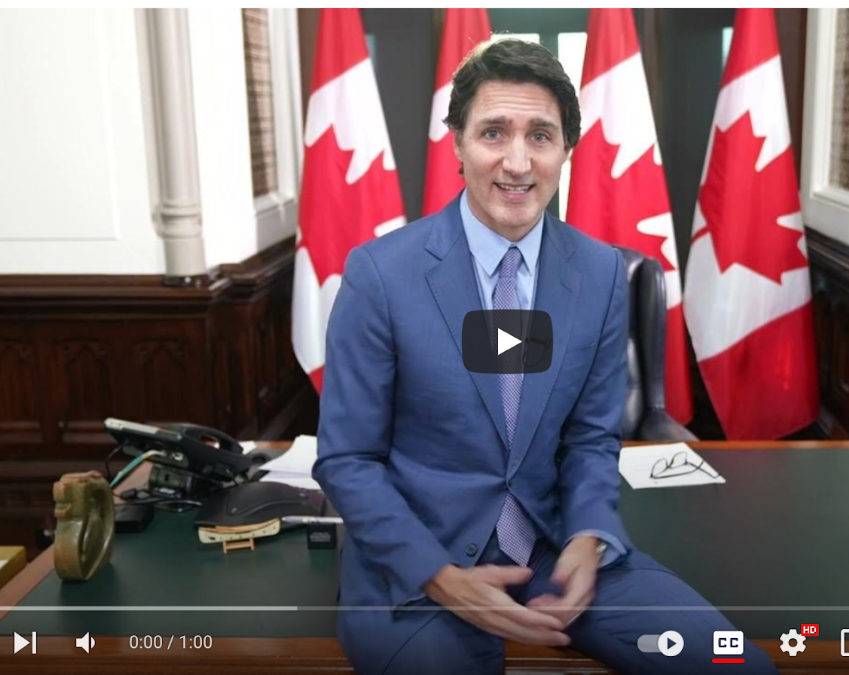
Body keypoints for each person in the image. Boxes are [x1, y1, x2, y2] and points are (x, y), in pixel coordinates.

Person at [315, 39, 776, 675]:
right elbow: (348, 459)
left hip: (555, 550)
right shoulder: (380, 274)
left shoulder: (601, 274)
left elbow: (591, 439)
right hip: (418, 567)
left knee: (736, 667)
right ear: (457, 144)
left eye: (540, 135)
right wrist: (440, 576)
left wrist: (589, 535)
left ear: (566, 150)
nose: (517, 161)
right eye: (493, 133)